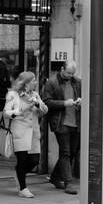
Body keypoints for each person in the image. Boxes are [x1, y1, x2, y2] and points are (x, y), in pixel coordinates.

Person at [3, 70, 48, 198]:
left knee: (34, 161)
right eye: (33, 80)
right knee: (22, 160)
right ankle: (23, 188)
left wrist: (38, 103)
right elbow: (6, 113)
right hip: (20, 132)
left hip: (34, 133)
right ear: (27, 82)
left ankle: (18, 172)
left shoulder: (35, 94)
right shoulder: (13, 95)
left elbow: (45, 110)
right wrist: (23, 109)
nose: (36, 82)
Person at [41, 59, 81, 194]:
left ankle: (54, 177)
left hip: (76, 122)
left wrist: (81, 101)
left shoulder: (78, 82)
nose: (70, 76)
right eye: (68, 73)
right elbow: (46, 102)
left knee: (73, 152)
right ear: (62, 69)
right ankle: (68, 183)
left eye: (73, 73)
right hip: (60, 122)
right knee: (65, 152)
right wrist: (64, 103)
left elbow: (86, 96)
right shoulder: (52, 83)